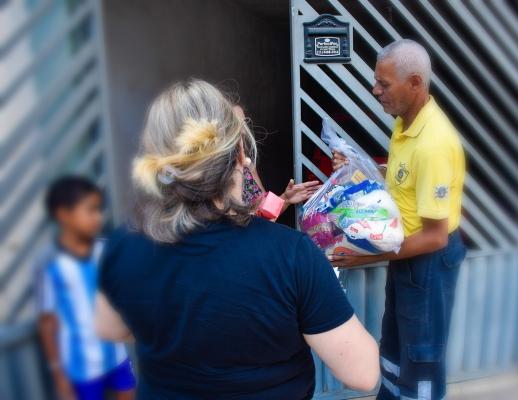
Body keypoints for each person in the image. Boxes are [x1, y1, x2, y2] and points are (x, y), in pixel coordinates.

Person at [94, 79, 380, 399]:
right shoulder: (293, 257)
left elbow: (110, 328)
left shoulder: (125, 247)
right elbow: (363, 374)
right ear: (241, 152)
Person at [330, 39, 467, 400]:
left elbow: (435, 237)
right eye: (376, 81)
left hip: (427, 261)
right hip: (405, 254)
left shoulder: (434, 143)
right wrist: (361, 169)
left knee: (421, 357)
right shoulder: (406, 123)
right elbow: (405, 177)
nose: (375, 91)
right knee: (395, 345)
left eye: (383, 84)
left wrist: (367, 258)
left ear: (415, 83)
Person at [36, 176, 136, 400]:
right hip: (81, 369)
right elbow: (47, 322)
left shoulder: (105, 250)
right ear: (64, 215)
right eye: (90, 210)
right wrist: (58, 375)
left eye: (99, 210)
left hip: (117, 356)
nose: (98, 217)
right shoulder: (51, 265)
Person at [232, 104, 321, 211]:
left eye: (244, 123)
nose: (243, 131)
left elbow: (263, 211)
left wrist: (285, 199)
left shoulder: (247, 162)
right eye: (235, 123)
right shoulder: (211, 172)